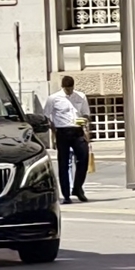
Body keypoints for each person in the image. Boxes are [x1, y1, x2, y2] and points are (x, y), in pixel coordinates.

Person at [43, 74, 92, 202]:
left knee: (83, 159)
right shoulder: (53, 98)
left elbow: (86, 113)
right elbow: (46, 116)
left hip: (77, 130)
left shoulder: (80, 97)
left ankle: (77, 187)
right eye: (67, 89)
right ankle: (65, 194)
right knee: (63, 163)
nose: (69, 91)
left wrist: (85, 121)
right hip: (62, 131)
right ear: (63, 87)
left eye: (70, 88)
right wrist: (53, 129)